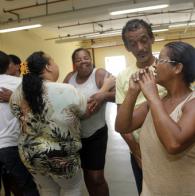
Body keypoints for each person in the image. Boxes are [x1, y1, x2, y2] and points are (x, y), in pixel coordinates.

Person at [116, 41, 195, 195]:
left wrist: (152, 96)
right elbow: (122, 127)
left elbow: (174, 143)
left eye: (160, 60)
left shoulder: (191, 104)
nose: (154, 65)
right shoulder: (155, 103)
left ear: (177, 68)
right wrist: (132, 92)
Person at [9, 51, 90, 196]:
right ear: (48, 67)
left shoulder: (17, 93)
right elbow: (84, 111)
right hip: (62, 156)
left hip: (31, 156)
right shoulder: (67, 90)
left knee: (46, 190)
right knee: (71, 189)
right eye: (54, 62)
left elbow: (18, 114)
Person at [115, 19, 161, 194]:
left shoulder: (168, 69)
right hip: (140, 148)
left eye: (143, 40)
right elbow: (121, 120)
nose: (140, 48)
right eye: (133, 43)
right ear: (127, 47)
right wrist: (136, 151)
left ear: (152, 39)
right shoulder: (123, 76)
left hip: (171, 146)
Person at [64, 48, 115, 196]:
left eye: (86, 57)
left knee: (96, 177)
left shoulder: (99, 74)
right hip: (75, 136)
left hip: (96, 134)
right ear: (74, 63)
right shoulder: (69, 78)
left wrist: (103, 95)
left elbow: (118, 94)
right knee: (86, 174)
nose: (83, 61)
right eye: (78, 60)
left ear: (91, 59)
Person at [0, 50, 40, 196]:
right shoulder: (20, 83)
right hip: (14, 145)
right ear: (7, 66)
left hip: (12, 145)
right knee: (27, 187)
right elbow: (39, 109)